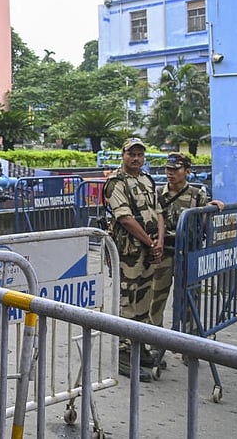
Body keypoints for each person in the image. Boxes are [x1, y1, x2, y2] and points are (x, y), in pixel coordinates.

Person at [104, 137, 165, 381]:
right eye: (132, 154)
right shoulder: (116, 183)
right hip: (130, 251)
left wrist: (159, 242)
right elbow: (125, 218)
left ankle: (139, 345)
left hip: (150, 249)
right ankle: (124, 352)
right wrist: (150, 243)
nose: (136, 158)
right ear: (123, 155)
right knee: (128, 298)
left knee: (145, 297)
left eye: (140, 154)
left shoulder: (147, 180)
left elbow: (159, 212)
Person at [150, 152, 224, 328]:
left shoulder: (198, 195)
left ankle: (190, 340)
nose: (170, 173)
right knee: (157, 298)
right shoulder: (158, 194)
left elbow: (204, 225)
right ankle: (154, 341)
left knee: (190, 298)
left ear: (187, 171)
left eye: (175, 169)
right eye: (168, 169)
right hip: (165, 252)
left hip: (189, 254)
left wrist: (212, 209)